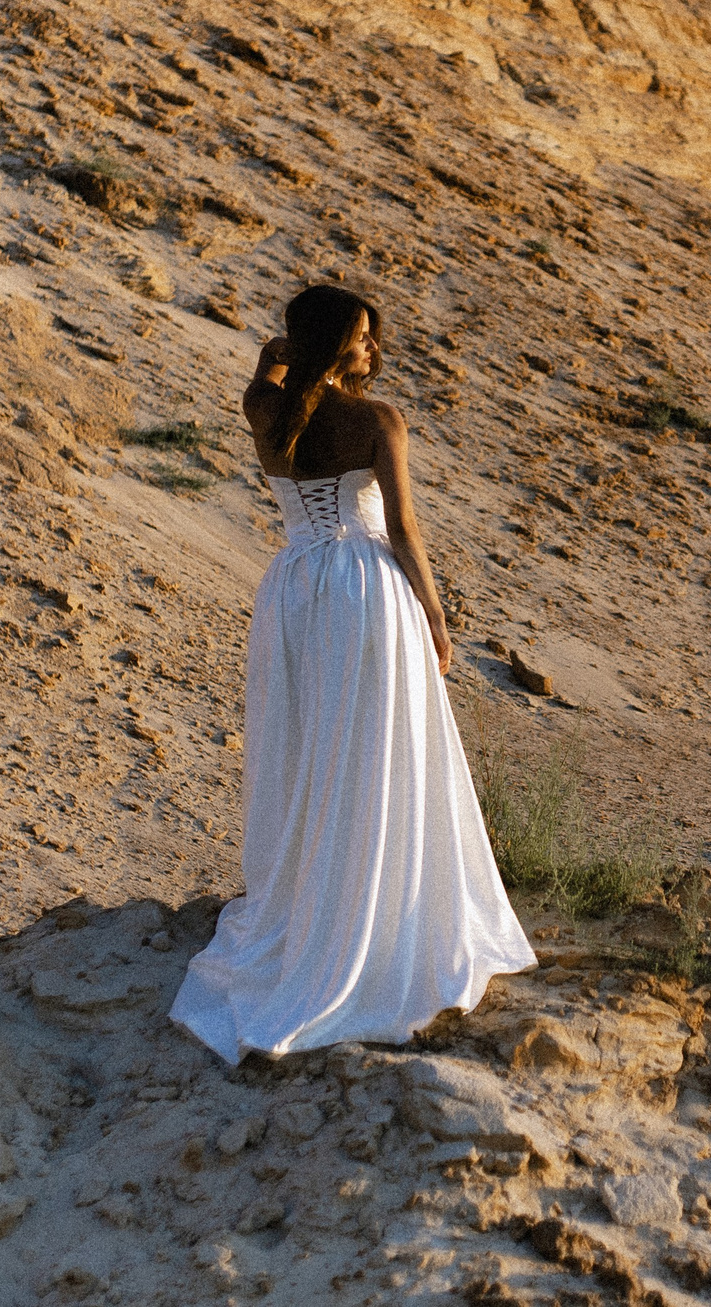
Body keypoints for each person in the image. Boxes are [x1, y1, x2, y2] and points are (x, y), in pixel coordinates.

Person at [171, 284, 533, 1063]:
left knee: (311, 749)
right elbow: (402, 528)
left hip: (295, 590)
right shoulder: (378, 421)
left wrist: (275, 360)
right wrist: (435, 615)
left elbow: (266, 379)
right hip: (366, 591)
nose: (373, 349)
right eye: (362, 337)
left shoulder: (265, 411)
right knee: (375, 746)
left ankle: (312, 906)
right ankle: (379, 916)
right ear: (336, 344)